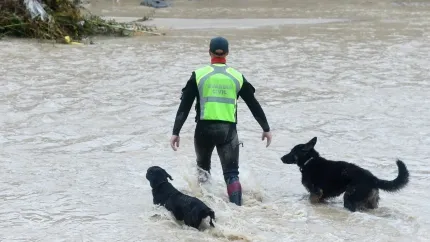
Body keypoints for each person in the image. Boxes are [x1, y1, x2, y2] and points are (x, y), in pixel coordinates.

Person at [169, 36, 272, 206]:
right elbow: (253, 104)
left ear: (209, 52)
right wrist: (266, 128)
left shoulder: (199, 75)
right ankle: (237, 211)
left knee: (203, 169)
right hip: (228, 131)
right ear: (227, 53)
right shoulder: (237, 77)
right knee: (231, 174)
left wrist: (176, 132)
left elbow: (184, 106)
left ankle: (206, 206)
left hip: (203, 130)